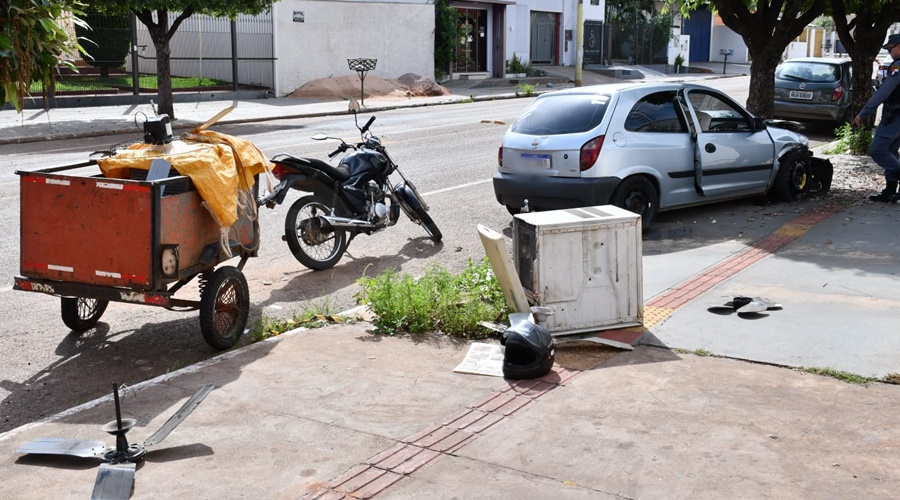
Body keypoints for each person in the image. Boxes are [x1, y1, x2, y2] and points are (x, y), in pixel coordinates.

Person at [853, 34, 900, 203]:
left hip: (894, 116)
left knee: (878, 150)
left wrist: (863, 113)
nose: (889, 53)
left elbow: (883, 92)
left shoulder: (898, 67)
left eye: (891, 49)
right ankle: (890, 191)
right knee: (891, 152)